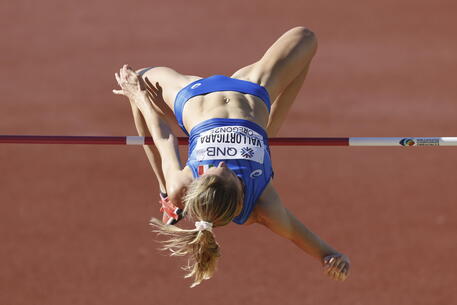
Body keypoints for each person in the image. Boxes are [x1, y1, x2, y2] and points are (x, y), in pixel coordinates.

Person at [113, 26, 350, 288]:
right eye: (230, 173)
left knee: (140, 77)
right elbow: (309, 241)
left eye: (214, 169)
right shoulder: (264, 206)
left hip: (194, 94)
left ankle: (165, 197)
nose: (223, 163)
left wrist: (139, 95)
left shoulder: (182, 184)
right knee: (306, 39)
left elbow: (164, 137)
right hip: (252, 90)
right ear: (241, 198)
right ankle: (268, 131)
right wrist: (332, 257)